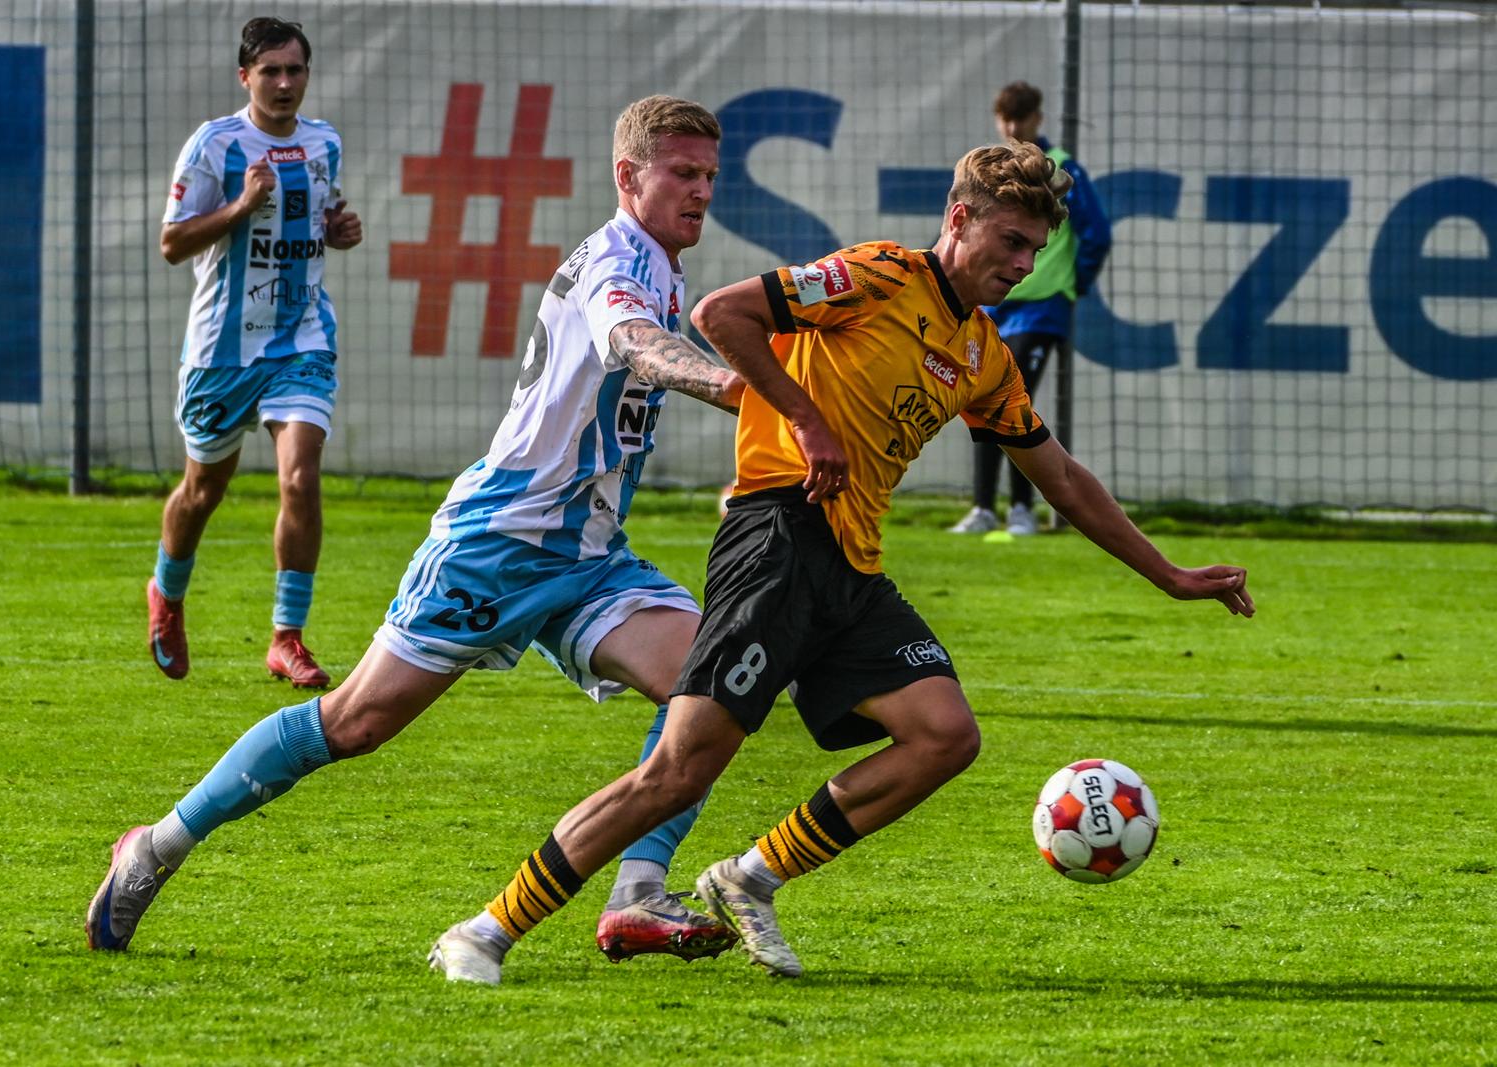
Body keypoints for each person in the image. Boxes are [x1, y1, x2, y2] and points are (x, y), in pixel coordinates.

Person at [430, 140, 1254, 983]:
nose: (1022, 264)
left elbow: (1064, 480)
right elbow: (721, 314)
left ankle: (750, 877)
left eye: (1035, 251)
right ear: (959, 219)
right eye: (1010, 241)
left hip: (851, 568)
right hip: (777, 539)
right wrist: (806, 418)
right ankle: (486, 930)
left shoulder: (984, 354)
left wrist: (1172, 576)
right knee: (677, 771)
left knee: (943, 735)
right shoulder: (879, 275)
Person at [88, 95, 749, 968]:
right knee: (356, 721)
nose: (701, 191)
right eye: (683, 173)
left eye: (709, 175)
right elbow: (633, 342)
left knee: (711, 690)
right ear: (629, 176)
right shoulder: (619, 263)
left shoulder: (663, 265)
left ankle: (637, 892)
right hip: (500, 541)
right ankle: (156, 844)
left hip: (587, 553)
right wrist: (745, 391)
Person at [147, 17, 363, 688]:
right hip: (223, 349)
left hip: (302, 338)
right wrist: (242, 205)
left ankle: (286, 637)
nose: (284, 82)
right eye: (270, 71)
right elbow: (173, 244)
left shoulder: (324, 142)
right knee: (201, 490)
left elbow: (317, 220)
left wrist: (337, 230)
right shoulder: (215, 144)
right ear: (246, 77)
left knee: (299, 478)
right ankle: (166, 595)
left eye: (295, 70)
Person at [951, 80, 1111, 537]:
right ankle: (984, 507)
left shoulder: (1061, 170)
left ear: (1037, 118)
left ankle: (1021, 509)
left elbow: (1096, 233)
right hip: (994, 308)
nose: (1012, 128)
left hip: (1040, 308)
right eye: (1005, 119)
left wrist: (1070, 284)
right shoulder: (997, 173)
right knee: (979, 398)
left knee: (1013, 399)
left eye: (1020, 118)